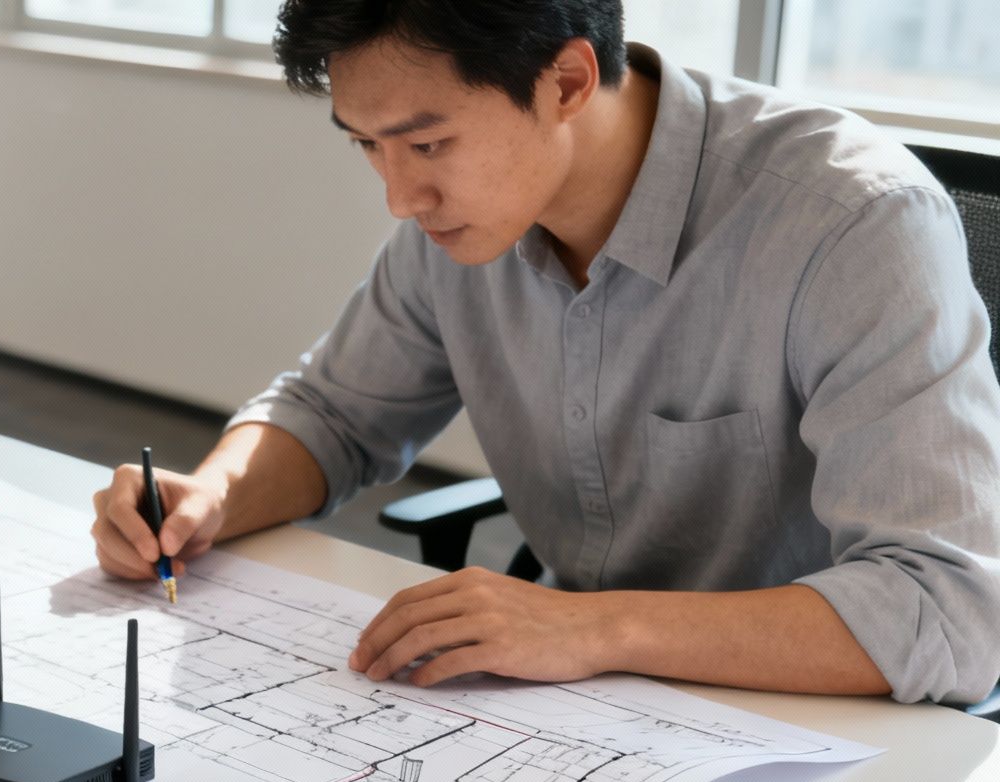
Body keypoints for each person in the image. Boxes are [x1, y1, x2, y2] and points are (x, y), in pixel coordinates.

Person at [90, 0, 1000, 706]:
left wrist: (593, 630)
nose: (400, 196)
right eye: (369, 145)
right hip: (580, 705)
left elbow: (949, 614)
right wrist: (210, 493)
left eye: (428, 142)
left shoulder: (850, 223)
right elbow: (333, 414)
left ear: (566, 80)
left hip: (818, 731)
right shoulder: (461, 227)